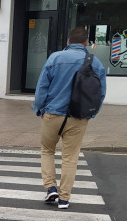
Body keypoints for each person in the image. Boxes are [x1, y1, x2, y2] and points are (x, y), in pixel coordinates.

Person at [32, 26, 107, 209]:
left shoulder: (55, 58)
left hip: (52, 114)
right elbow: (101, 93)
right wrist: (91, 114)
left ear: (68, 42)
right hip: (78, 117)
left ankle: (50, 188)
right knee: (70, 157)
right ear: (86, 43)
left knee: (47, 151)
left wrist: (39, 109)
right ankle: (64, 198)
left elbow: (42, 88)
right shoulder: (95, 63)